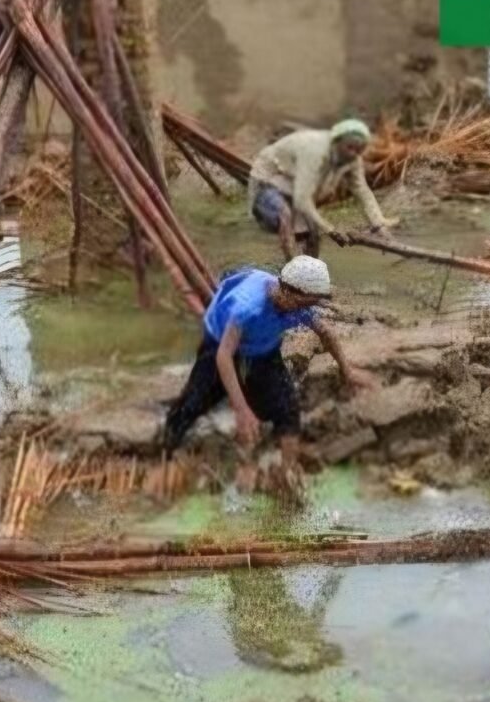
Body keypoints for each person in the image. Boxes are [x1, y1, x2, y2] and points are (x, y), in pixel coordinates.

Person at [159, 256, 371, 488]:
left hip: (263, 347)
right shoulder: (248, 307)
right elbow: (224, 355)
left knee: (287, 407)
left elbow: (325, 332)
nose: (307, 310)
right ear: (288, 291)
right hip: (220, 342)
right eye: (304, 303)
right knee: (195, 401)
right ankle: (166, 452)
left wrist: (347, 371)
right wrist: (241, 410)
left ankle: (288, 474)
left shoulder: (300, 304)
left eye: (311, 304)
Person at [247, 117, 398, 259]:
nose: (354, 153)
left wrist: (379, 225)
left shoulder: (354, 159)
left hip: (295, 182)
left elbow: (362, 191)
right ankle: (289, 268)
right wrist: (330, 229)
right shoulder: (315, 152)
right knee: (285, 215)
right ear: (336, 142)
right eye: (350, 147)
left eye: (359, 149)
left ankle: (313, 270)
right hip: (269, 176)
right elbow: (301, 199)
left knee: (312, 231)